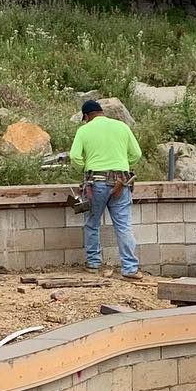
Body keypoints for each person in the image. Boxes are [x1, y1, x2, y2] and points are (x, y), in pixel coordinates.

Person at [69, 99, 143, 278]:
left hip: (96, 184)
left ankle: (94, 263)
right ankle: (130, 268)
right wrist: (123, 165)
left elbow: (74, 157)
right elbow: (136, 154)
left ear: (86, 116)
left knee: (92, 224)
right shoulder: (122, 127)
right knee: (123, 226)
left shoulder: (84, 130)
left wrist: (86, 167)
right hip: (121, 183)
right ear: (101, 112)